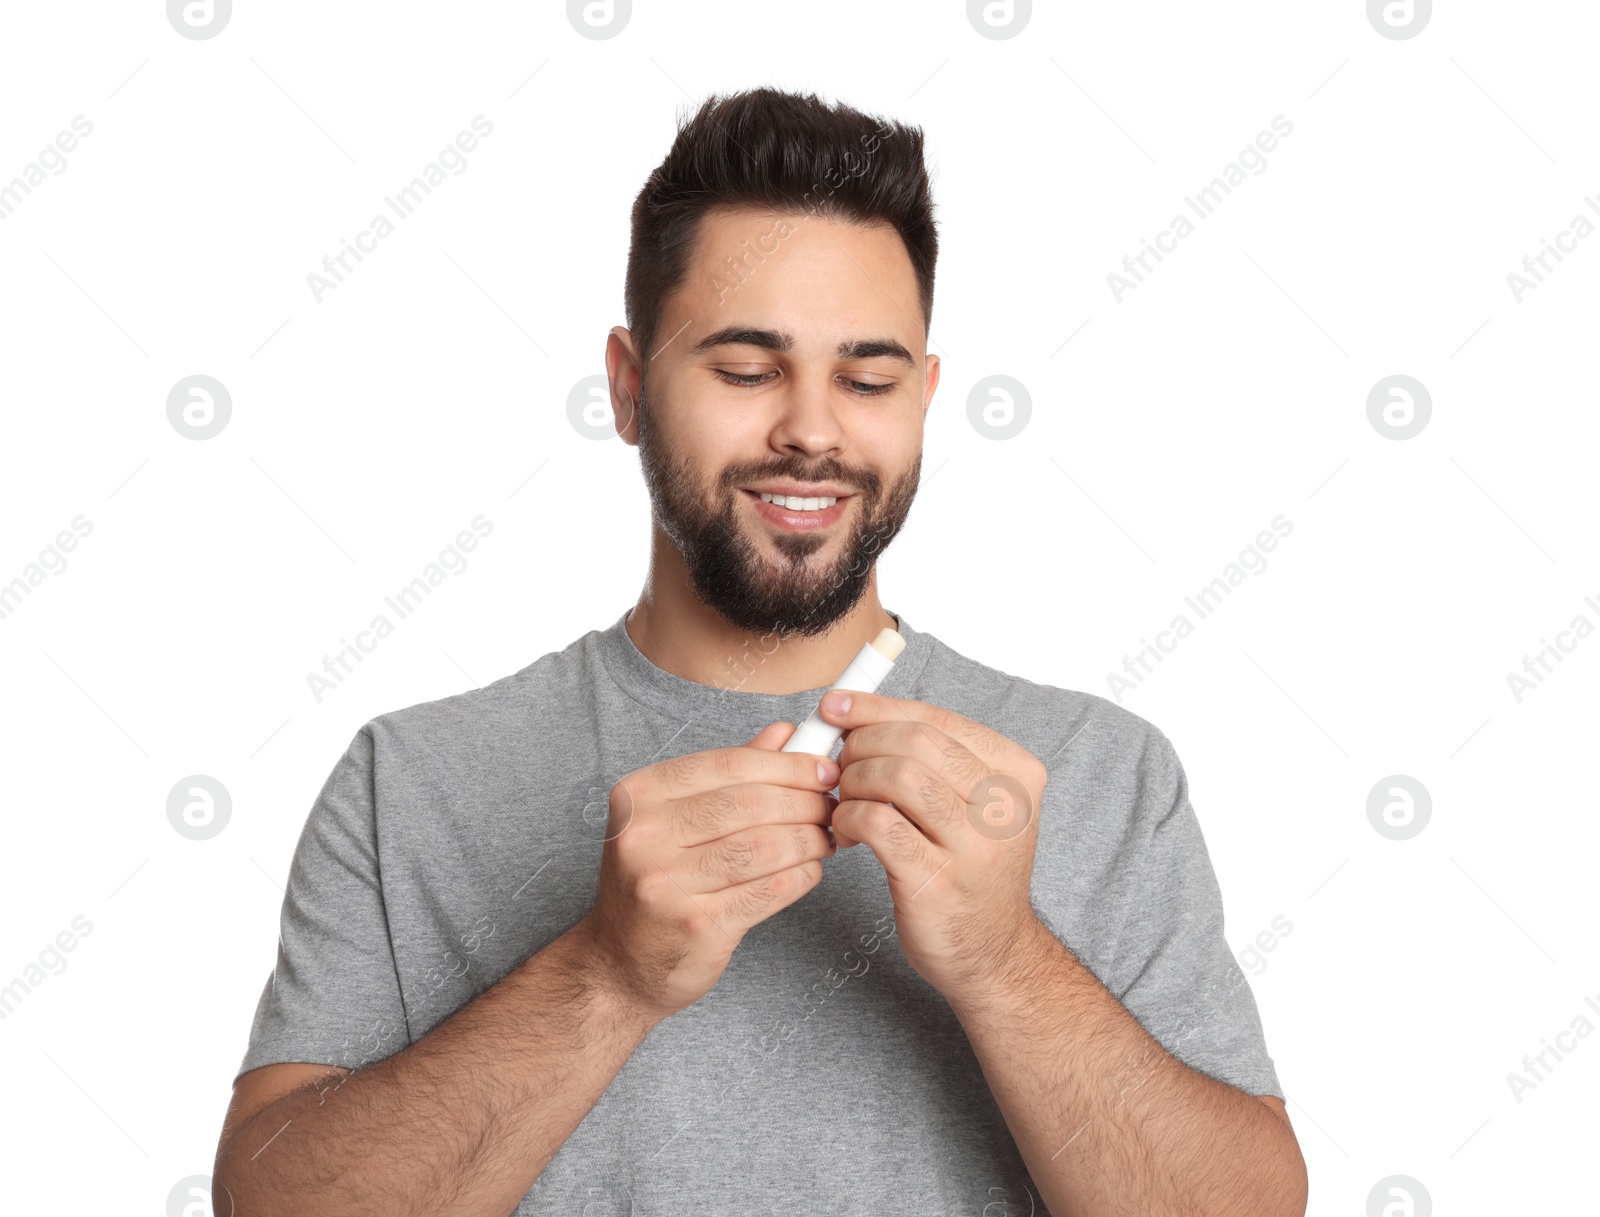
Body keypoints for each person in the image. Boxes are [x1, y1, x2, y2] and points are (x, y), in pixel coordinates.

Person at [213, 86, 1308, 1216]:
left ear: (924, 398)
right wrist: (606, 974)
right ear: (630, 387)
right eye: (745, 370)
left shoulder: (1096, 768)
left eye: (868, 380)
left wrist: (1003, 961)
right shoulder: (415, 780)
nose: (813, 431)